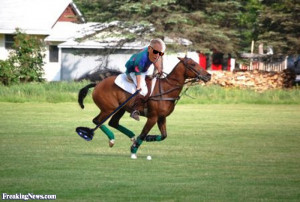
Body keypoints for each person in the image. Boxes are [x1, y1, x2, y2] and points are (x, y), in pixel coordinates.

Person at [125, 38, 166, 121]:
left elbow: (157, 60)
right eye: (156, 52)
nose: (158, 55)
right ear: (150, 49)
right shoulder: (141, 58)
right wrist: (138, 86)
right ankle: (135, 110)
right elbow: (138, 73)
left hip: (144, 70)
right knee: (143, 90)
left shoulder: (155, 52)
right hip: (133, 71)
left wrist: (160, 71)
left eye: (160, 53)